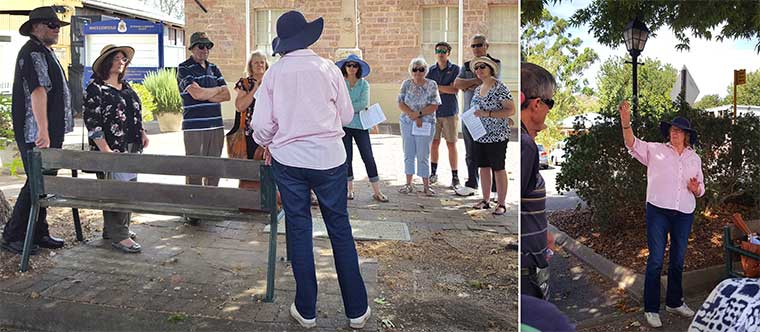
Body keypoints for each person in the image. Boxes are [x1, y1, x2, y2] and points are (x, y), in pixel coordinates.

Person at [251, 10, 370, 329]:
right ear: (307, 37)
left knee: (299, 229)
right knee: (340, 229)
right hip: (330, 159)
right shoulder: (328, 68)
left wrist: (268, 142)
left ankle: (306, 310)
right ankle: (357, 310)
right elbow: (346, 116)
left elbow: (261, 125)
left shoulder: (275, 74)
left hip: (289, 160)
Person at [619, 100, 705, 328]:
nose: (674, 133)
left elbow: (701, 189)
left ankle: (675, 302)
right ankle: (651, 307)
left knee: (678, 260)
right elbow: (631, 143)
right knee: (656, 260)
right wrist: (625, 122)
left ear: (686, 135)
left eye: (679, 131)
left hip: (684, 212)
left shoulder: (694, 158)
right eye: (672, 130)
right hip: (658, 210)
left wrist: (696, 188)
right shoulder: (654, 149)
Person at [1, 7, 74, 255]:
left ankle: (38, 231)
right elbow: (38, 90)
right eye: (49, 24)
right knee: (36, 182)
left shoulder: (46, 52)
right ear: (34, 27)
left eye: (57, 25)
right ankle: (12, 235)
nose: (55, 28)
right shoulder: (32, 52)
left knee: (43, 182)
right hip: (36, 132)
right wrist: (43, 130)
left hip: (49, 131)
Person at [83, 45, 148, 253]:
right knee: (116, 191)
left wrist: (143, 133)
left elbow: (135, 112)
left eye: (124, 59)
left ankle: (115, 229)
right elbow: (93, 122)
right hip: (111, 149)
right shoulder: (96, 88)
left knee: (128, 188)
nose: (122, 62)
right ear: (106, 62)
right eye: (117, 58)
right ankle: (120, 235)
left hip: (131, 145)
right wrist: (105, 150)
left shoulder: (126, 86)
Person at [177, 32, 230, 225]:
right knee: (195, 169)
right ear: (192, 48)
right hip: (194, 127)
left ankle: (210, 206)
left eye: (208, 46)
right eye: (200, 46)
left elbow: (226, 95)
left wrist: (210, 92)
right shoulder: (184, 68)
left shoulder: (214, 68)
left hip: (216, 125)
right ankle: (194, 209)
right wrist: (215, 90)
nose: (205, 50)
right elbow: (196, 94)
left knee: (214, 167)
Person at [520, 62, 555, 299]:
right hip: (525, 276)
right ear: (536, 104)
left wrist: (543, 233)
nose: (549, 110)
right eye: (550, 103)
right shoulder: (526, 145)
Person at [335, 54, 388, 203]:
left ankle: (377, 191)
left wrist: (346, 107)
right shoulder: (341, 84)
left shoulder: (364, 85)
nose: (352, 68)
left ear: (359, 68)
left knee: (368, 157)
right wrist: (349, 107)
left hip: (360, 125)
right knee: (347, 159)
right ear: (345, 67)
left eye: (355, 65)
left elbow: (363, 104)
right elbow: (337, 103)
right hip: (344, 125)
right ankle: (349, 189)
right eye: (349, 65)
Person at [453, 34, 501, 197]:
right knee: (471, 153)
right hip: (470, 116)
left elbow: (491, 83)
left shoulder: (495, 63)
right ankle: (472, 185)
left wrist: (470, 83)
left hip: (489, 116)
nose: (476, 48)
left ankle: (495, 189)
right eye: (473, 46)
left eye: (479, 45)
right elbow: (457, 84)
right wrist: (477, 81)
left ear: (487, 45)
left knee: (491, 153)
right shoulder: (466, 66)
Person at [467, 57, 513, 215]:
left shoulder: (500, 87)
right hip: (480, 134)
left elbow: (510, 110)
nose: (479, 70)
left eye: (482, 67)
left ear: (491, 69)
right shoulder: (477, 89)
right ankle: (485, 200)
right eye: (477, 68)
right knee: (483, 167)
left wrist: (487, 114)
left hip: (497, 135)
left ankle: (501, 203)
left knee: (498, 168)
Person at [397, 57, 441, 196]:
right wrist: (413, 115)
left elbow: (434, 105)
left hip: (426, 123)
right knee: (408, 153)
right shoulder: (406, 84)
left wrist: (419, 114)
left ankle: (426, 186)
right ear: (411, 70)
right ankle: (408, 184)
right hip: (407, 122)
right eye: (415, 69)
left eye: (421, 69)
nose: (418, 72)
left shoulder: (432, 84)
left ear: (425, 70)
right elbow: (400, 102)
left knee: (423, 154)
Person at [425, 42, 460, 189]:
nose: (441, 53)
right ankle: (433, 173)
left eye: (444, 51)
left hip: (449, 112)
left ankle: (455, 176)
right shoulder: (430, 70)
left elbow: (455, 89)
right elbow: (427, 89)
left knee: (451, 144)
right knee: (434, 143)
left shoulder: (455, 69)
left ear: (448, 53)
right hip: (433, 112)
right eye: (438, 50)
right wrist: (444, 88)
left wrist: (438, 88)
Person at [231, 50, 268, 160]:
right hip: (250, 132)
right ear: (250, 66)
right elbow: (240, 106)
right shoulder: (245, 83)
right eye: (256, 63)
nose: (259, 65)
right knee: (249, 168)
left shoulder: (272, 81)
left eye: (262, 62)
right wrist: (255, 88)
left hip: (269, 132)